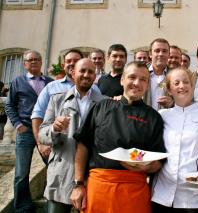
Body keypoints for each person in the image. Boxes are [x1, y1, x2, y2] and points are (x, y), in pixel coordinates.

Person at [70, 61, 166, 213]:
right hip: (98, 187)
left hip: (134, 190)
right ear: (122, 80)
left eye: (143, 79)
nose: (137, 83)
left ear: (147, 85)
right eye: (132, 77)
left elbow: (159, 160)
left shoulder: (154, 117)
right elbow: (83, 146)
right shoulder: (101, 107)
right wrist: (78, 184)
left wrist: (147, 166)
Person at [151, 67, 198, 212]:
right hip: (162, 195)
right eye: (176, 83)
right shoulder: (163, 116)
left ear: (192, 86)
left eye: (186, 82)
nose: (182, 86)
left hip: (195, 197)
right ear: (169, 90)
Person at [38, 58, 104, 213]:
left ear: (95, 76)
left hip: (91, 174)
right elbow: (42, 134)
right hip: (61, 171)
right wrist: (54, 128)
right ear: (73, 73)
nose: (86, 75)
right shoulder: (57, 100)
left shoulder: (104, 103)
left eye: (90, 72)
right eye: (82, 71)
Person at [5, 50, 53, 212]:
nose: (34, 62)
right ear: (24, 64)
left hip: (46, 131)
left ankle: (52, 203)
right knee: (21, 173)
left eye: (37, 59)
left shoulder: (50, 82)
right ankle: (22, 207)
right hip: (25, 131)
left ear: (41, 62)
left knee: (53, 167)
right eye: (30, 60)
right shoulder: (17, 82)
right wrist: (18, 124)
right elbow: (9, 105)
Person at [31, 49, 85, 162]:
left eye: (76, 60)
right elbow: (37, 115)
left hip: (84, 148)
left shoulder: (94, 89)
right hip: (58, 148)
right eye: (68, 61)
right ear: (63, 65)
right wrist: (41, 143)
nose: (72, 63)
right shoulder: (51, 87)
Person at [144, 38, 174, 110]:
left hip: (166, 119)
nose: (161, 54)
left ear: (169, 54)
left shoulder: (174, 75)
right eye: (157, 51)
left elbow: (182, 99)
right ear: (150, 54)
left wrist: (173, 103)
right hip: (142, 118)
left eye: (164, 51)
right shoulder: (140, 72)